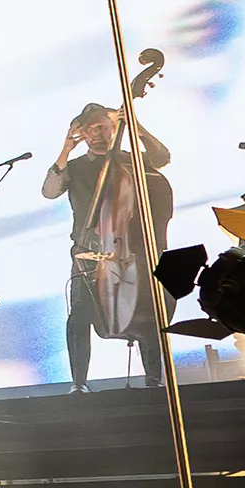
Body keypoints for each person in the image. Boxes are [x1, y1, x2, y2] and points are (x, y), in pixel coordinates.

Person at [41, 102, 173, 392]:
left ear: (113, 128)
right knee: (79, 315)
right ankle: (79, 383)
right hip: (87, 253)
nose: (96, 133)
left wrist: (137, 128)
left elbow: (162, 157)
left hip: (129, 252)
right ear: (82, 134)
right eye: (89, 129)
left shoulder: (131, 160)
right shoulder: (75, 167)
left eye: (101, 127)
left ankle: (153, 379)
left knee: (147, 311)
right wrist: (65, 150)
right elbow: (49, 191)